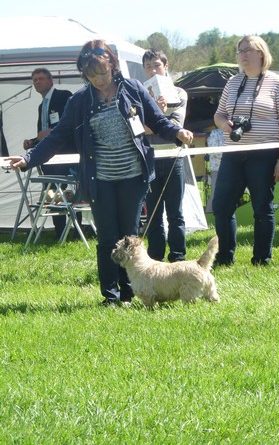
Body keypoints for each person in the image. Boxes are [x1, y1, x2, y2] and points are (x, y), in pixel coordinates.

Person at [7, 39, 193, 306]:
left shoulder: (133, 88)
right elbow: (57, 137)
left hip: (133, 177)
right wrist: (28, 158)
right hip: (101, 179)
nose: (99, 80)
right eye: (92, 76)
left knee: (129, 237)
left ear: (112, 66)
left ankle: (130, 293)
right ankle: (111, 296)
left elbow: (158, 121)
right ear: (85, 75)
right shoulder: (80, 100)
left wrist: (177, 132)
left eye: (103, 73)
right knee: (107, 238)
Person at [212, 35, 279, 266]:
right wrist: (223, 124)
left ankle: (261, 258)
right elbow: (219, 114)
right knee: (221, 206)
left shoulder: (278, 83)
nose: (243, 54)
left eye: (248, 50)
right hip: (233, 153)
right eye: (240, 50)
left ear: (261, 53)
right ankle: (225, 257)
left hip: (264, 154)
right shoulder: (232, 82)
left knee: (262, 207)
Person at [142, 49, 187, 262]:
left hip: (173, 157)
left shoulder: (179, 93)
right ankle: (155, 256)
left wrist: (156, 118)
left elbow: (176, 126)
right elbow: (137, 129)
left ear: (166, 66)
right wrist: (157, 118)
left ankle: (178, 256)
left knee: (175, 213)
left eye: (157, 65)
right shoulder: (139, 94)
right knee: (153, 214)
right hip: (149, 159)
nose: (153, 70)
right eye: (148, 67)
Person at [23, 68, 77, 239]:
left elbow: (69, 123)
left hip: (65, 153)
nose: (37, 82)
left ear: (51, 80)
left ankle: (77, 229)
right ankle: (59, 231)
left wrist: (49, 132)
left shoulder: (64, 96)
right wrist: (33, 141)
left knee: (69, 191)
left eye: (40, 78)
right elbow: (44, 133)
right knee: (51, 192)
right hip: (48, 156)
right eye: (34, 80)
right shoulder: (41, 106)